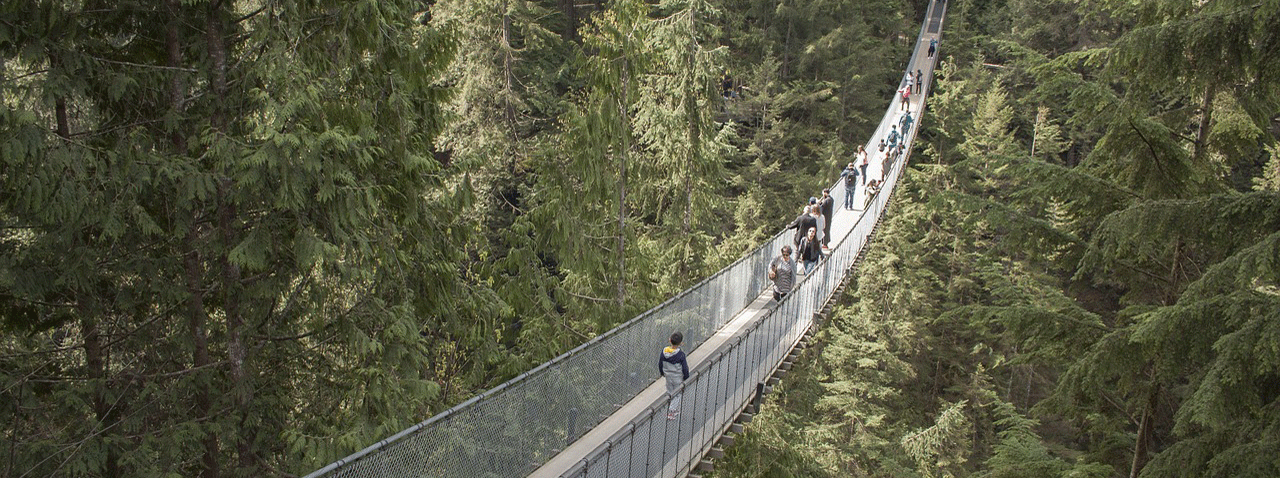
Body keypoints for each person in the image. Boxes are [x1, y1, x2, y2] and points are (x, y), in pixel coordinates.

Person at [659, 332, 690, 419]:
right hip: (678, 378)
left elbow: (660, 364)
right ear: (681, 343)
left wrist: (662, 373)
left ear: (669, 340)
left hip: (668, 376)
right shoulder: (681, 355)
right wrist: (686, 377)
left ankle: (671, 409)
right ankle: (671, 412)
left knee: (670, 392)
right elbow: (684, 368)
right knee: (677, 394)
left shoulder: (664, 352)